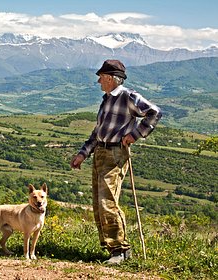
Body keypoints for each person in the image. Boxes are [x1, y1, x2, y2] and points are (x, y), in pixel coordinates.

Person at [70, 59, 162, 264]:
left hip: (115, 154)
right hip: (101, 153)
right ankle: (111, 248)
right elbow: (98, 132)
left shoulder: (128, 96)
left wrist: (136, 134)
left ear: (111, 78)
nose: (99, 81)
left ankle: (120, 250)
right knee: (98, 203)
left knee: (107, 201)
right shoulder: (107, 99)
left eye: (101, 77)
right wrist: (83, 154)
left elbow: (154, 112)